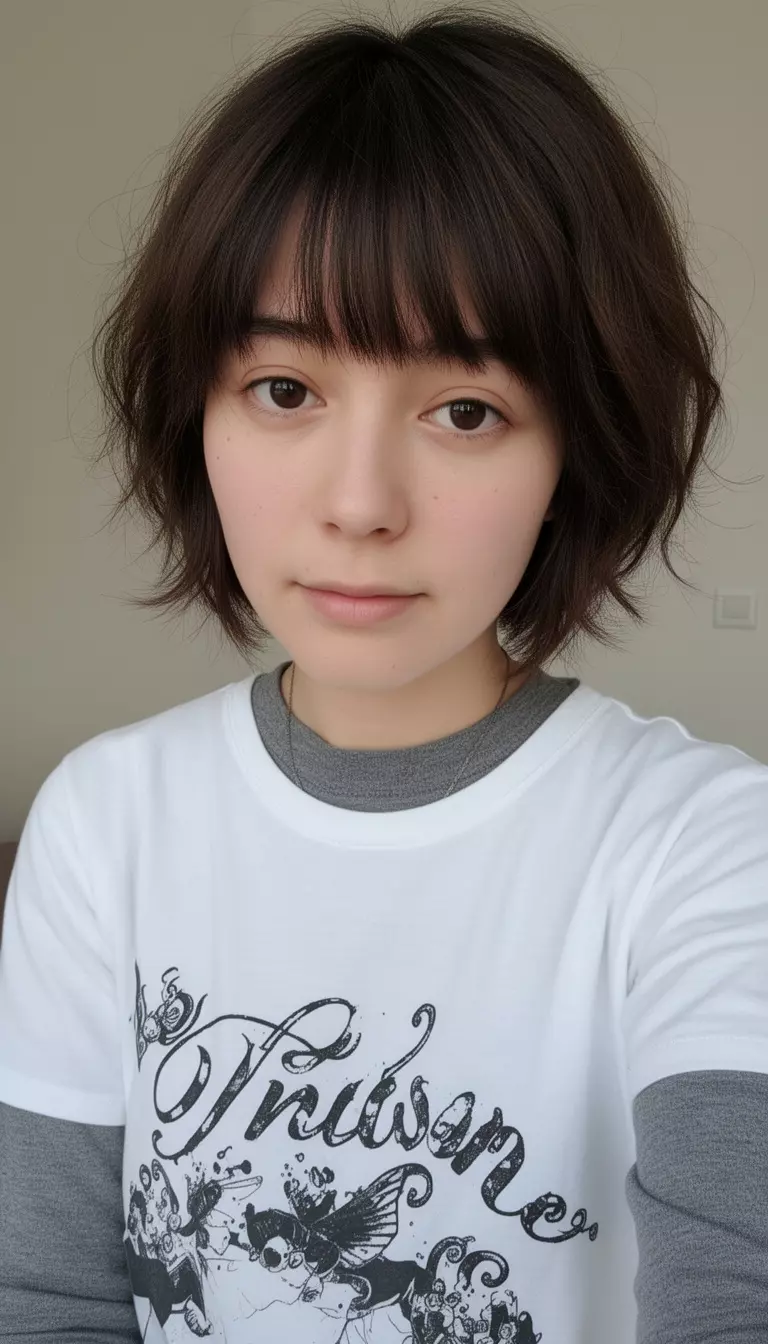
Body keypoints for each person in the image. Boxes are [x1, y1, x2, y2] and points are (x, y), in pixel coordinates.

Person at [1, 5, 767, 1342]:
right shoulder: (105, 824)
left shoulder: (703, 849)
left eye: (463, 411)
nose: (359, 504)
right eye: (285, 389)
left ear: (572, 453)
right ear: (197, 409)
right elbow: (49, 1302)